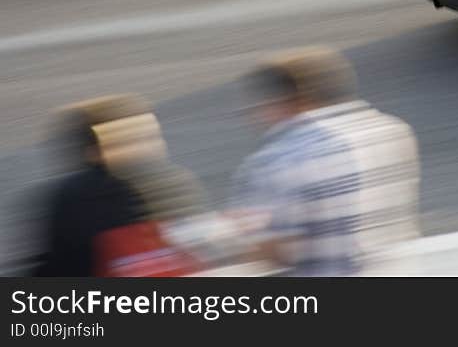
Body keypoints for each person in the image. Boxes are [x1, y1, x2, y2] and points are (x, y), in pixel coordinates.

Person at [231, 46, 421, 276]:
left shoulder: (277, 160)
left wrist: (238, 231)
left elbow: (274, 252)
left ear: (287, 101)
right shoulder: (392, 131)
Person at [32, 94, 206, 276]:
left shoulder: (67, 196)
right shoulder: (79, 198)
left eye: (152, 137)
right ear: (96, 150)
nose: (156, 146)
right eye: (142, 138)